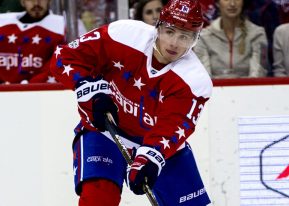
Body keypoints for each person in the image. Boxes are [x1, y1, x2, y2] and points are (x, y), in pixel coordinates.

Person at [50, 0, 212, 205]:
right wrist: (89, 89)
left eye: (185, 37)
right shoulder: (123, 34)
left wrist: (150, 158)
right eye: (170, 31)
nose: (174, 43)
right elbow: (65, 56)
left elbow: (172, 126)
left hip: (159, 145)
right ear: (158, 26)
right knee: (98, 198)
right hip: (105, 132)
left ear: (195, 40)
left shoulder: (195, 81)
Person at [194, 0, 268, 78]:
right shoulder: (203, 36)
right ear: (217, 3)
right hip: (214, 89)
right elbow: (204, 77)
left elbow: (258, 74)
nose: (232, 3)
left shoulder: (258, 34)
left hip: (250, 89)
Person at [0, 0, 65, 84]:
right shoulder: (3, 23)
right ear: (22, 2)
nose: (36, 4)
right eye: (31, 0)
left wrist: (32, 86)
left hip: (44, 92)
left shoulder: (63, 24)